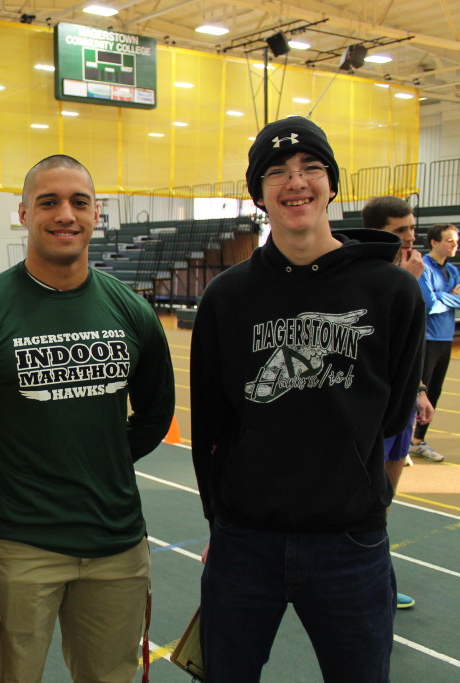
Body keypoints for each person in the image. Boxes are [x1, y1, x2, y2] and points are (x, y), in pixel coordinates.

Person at [190, 117, 425, 683]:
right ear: (259, 193)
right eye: (277, 173)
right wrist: (221, 525)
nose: (295, 182)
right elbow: (211, 424)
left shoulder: (390, 291)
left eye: (310, 168)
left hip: (350, 543)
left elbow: (394, 418)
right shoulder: (227, 296)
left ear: (331, 183)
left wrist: (364, 496)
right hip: (245, 541)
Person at [0, 155, 176, 683]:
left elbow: (157, 412)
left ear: (97, 215)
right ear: (23, 213)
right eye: (49, 202)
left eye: (78, 202)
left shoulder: (130, 310)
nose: (65, 214)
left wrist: (102, 457)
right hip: (19, 547)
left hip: (117, 548)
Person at [361, 195, 434, 611]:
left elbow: (410, 344)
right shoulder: (367, 276)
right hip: (373, 409)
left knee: (385, 500)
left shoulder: (410, 273)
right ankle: (366, 582)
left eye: (411, 228)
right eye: (398, 230)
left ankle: (380, 581)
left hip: (403, 404)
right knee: (368, 498)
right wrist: (406, 282)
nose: (409, 237)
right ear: (378, 232)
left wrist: (420, 390)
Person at [411, 222, 460, 462]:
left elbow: (443, 301)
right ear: (434, 242)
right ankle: (402, 437)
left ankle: (418, 441)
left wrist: (444, 298)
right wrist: (450, 297)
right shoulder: (425, 268)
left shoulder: (453, 272)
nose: (455, 245)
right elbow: (429, 305)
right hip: (427, 339)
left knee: (436, 393)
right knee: (419, 392)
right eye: (450, 240)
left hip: (445, 339)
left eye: (456, 241)